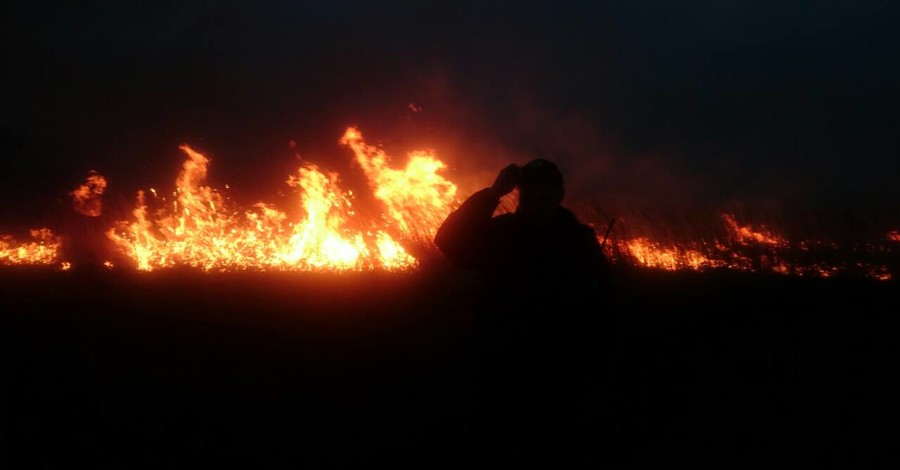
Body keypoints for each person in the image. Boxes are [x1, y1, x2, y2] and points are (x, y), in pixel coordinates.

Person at [434, 158, 613, 465]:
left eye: (543, 199)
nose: (535, 207)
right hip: (499, 366)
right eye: (529, 198)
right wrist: (492, 194)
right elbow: (449, 242)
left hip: (559, 373)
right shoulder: (501, 235)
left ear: (559, 195)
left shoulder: (578, 241)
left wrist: (597, 379)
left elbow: (599, 308)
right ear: (519, 196)